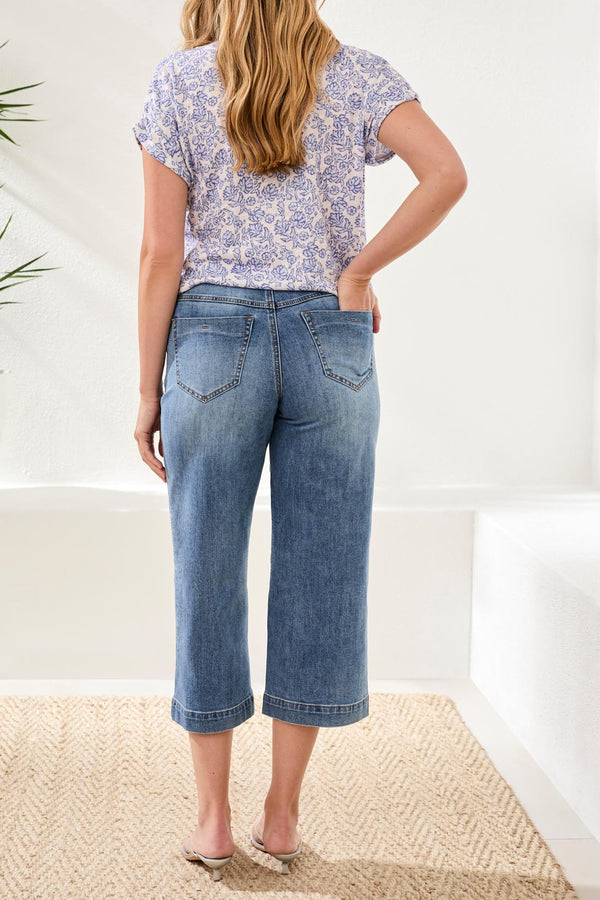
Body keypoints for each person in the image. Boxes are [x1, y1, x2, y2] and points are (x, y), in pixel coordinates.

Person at [132, 0, 467, 882]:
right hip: (332, 339)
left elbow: (160, 254)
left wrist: (145, 388)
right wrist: (354, 269)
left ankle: (211, 820)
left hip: (211, 341)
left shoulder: (179, 80)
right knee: (324, 566)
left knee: (205, 566)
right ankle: (280, 819)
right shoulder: (357, 72)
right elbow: (446, 173)